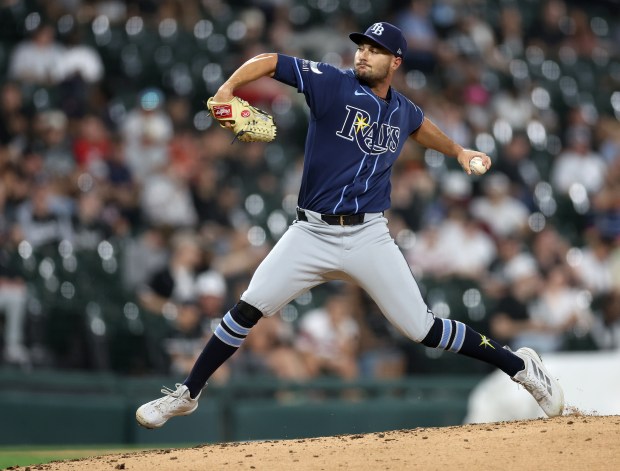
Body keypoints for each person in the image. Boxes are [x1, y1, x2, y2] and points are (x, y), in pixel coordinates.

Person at [136, 22, 564, 429]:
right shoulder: (332, 84)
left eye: (375, 50)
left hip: (367, 235)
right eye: (362, 46)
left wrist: (457, 151)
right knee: (247, 307)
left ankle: (521, 366)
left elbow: (419, 126)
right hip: (311, 232)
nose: (364, 53)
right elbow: (269, 60)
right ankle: (188, 393)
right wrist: (228, 89)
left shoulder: (401, 110)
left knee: (423, 329)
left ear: (395, 61)